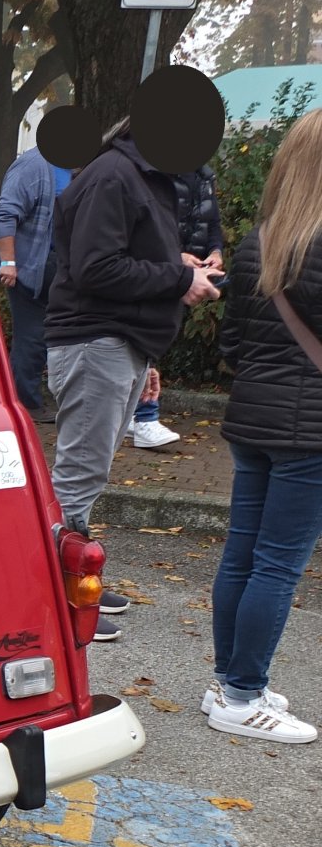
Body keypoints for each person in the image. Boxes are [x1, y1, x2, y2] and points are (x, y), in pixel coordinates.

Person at [45, 117, 222, 641]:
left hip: (117, 342)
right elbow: (97, 268)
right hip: (96, 340)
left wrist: (177, 264)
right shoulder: (114, 176)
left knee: (86, 475)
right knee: (77, 477)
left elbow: (118, 260)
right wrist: (178, 277)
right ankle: (54, 593)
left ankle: (72, 578)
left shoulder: (138, 177)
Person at [201, 109, 322, 744]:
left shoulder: (259, 240)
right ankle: (244, 696)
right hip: (310, 428)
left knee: (244, 553)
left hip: (252, 416)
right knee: (278, 563)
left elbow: (230, 344)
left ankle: (231, 680)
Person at [126, 166, 224, 449]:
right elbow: (145, 232)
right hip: (161, 272)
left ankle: (138, 414)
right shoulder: (154, 174)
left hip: (188, 275)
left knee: (160, 337)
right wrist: (174, 257)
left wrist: (215, 253)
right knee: (147, 336)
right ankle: (144, 417)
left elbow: (212, 223)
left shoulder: (205, 175)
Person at [0, 146, 72, 422]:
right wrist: (9, 263)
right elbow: (6, 214)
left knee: (54, 336)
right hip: (31, 269)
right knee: (32, 337)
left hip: (61, 267)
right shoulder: (33, 166)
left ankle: (33, 399)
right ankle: (23, 403)